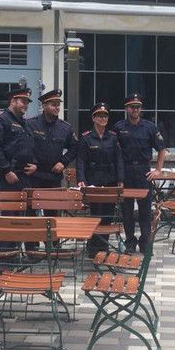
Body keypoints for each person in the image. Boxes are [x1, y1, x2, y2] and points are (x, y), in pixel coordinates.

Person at [114, 93, 167, 254]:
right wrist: (118, 176)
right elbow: (115, 152)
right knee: (127, 210)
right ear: (126, 109)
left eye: (137, 107)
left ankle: (145, 242)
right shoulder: (118, 127)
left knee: (145, 209)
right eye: (132, 107)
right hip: (126, 171)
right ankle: (130, 241)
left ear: (141, 108)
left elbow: (162, 149)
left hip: (144, 171)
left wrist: (157, 170)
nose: (135, 110)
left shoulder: (150, 127)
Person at [77, 102, 124, 257]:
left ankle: (103, 246)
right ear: (93, 118)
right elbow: (81, 160)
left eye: (105, 116)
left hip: (110, 180)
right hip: (93, 180)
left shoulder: (113, 137)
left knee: (108, 215)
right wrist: (81, 179)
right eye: (99, 116)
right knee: (96, 214)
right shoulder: (86, 137)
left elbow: (118, 160)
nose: (103, 119)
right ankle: (93, 247)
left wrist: (120, 179)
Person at [0, 87, 37, 193]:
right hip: (5, 177)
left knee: (24, 204)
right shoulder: (0, 120)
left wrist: (35, 164)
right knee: (5, 204)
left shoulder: (25, 124)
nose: (26, 105)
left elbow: (29, 146)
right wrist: (6, 171)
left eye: (27, 103)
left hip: (23, 176)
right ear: (13, 101)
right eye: (23, 102)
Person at [26, 89, 78, 191]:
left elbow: (75, 147)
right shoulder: (31, 124)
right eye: (53, 105)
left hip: (54, 176)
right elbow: (24, 146)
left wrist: (63, 162)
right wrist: (31, 162)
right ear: (44, 106)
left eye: (58, 105)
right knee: (32, 202)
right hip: (34, 175)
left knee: (53, 202)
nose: (57, 108)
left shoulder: (65, 127)